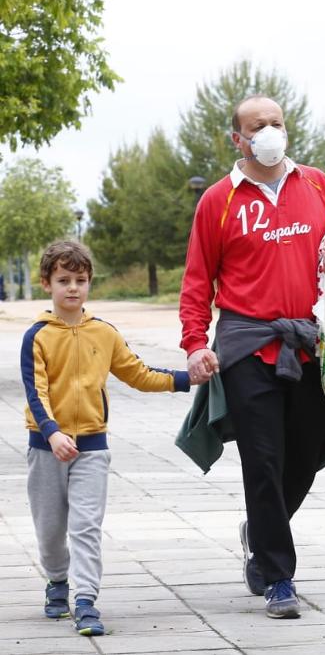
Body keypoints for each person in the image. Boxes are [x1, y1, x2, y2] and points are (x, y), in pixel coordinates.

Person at [178, 95, 325, 620]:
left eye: (276, 123)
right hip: (247, 346)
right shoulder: (218, 201)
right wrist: (194, 344)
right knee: (263, 461)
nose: (270, 132)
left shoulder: (319, 185)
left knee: (308, 449)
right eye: (258, 126)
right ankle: (277, 576)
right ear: (238, 139)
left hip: (310, 342)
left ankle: (260, 529)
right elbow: (197, 282)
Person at [23, 241, 197, 636]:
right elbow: (36, 394)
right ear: (46, 283)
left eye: (80, 280)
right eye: (63, 280)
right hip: (45, 449)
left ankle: (85, 601)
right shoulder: (37, 336)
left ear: (89, 283)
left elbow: (138, 373)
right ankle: (57, 580)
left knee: (85, 526)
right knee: (50, 531)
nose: (73, 288)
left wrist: (186, 380)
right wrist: (51, 434)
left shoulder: (104, 332)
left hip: (92, 449)